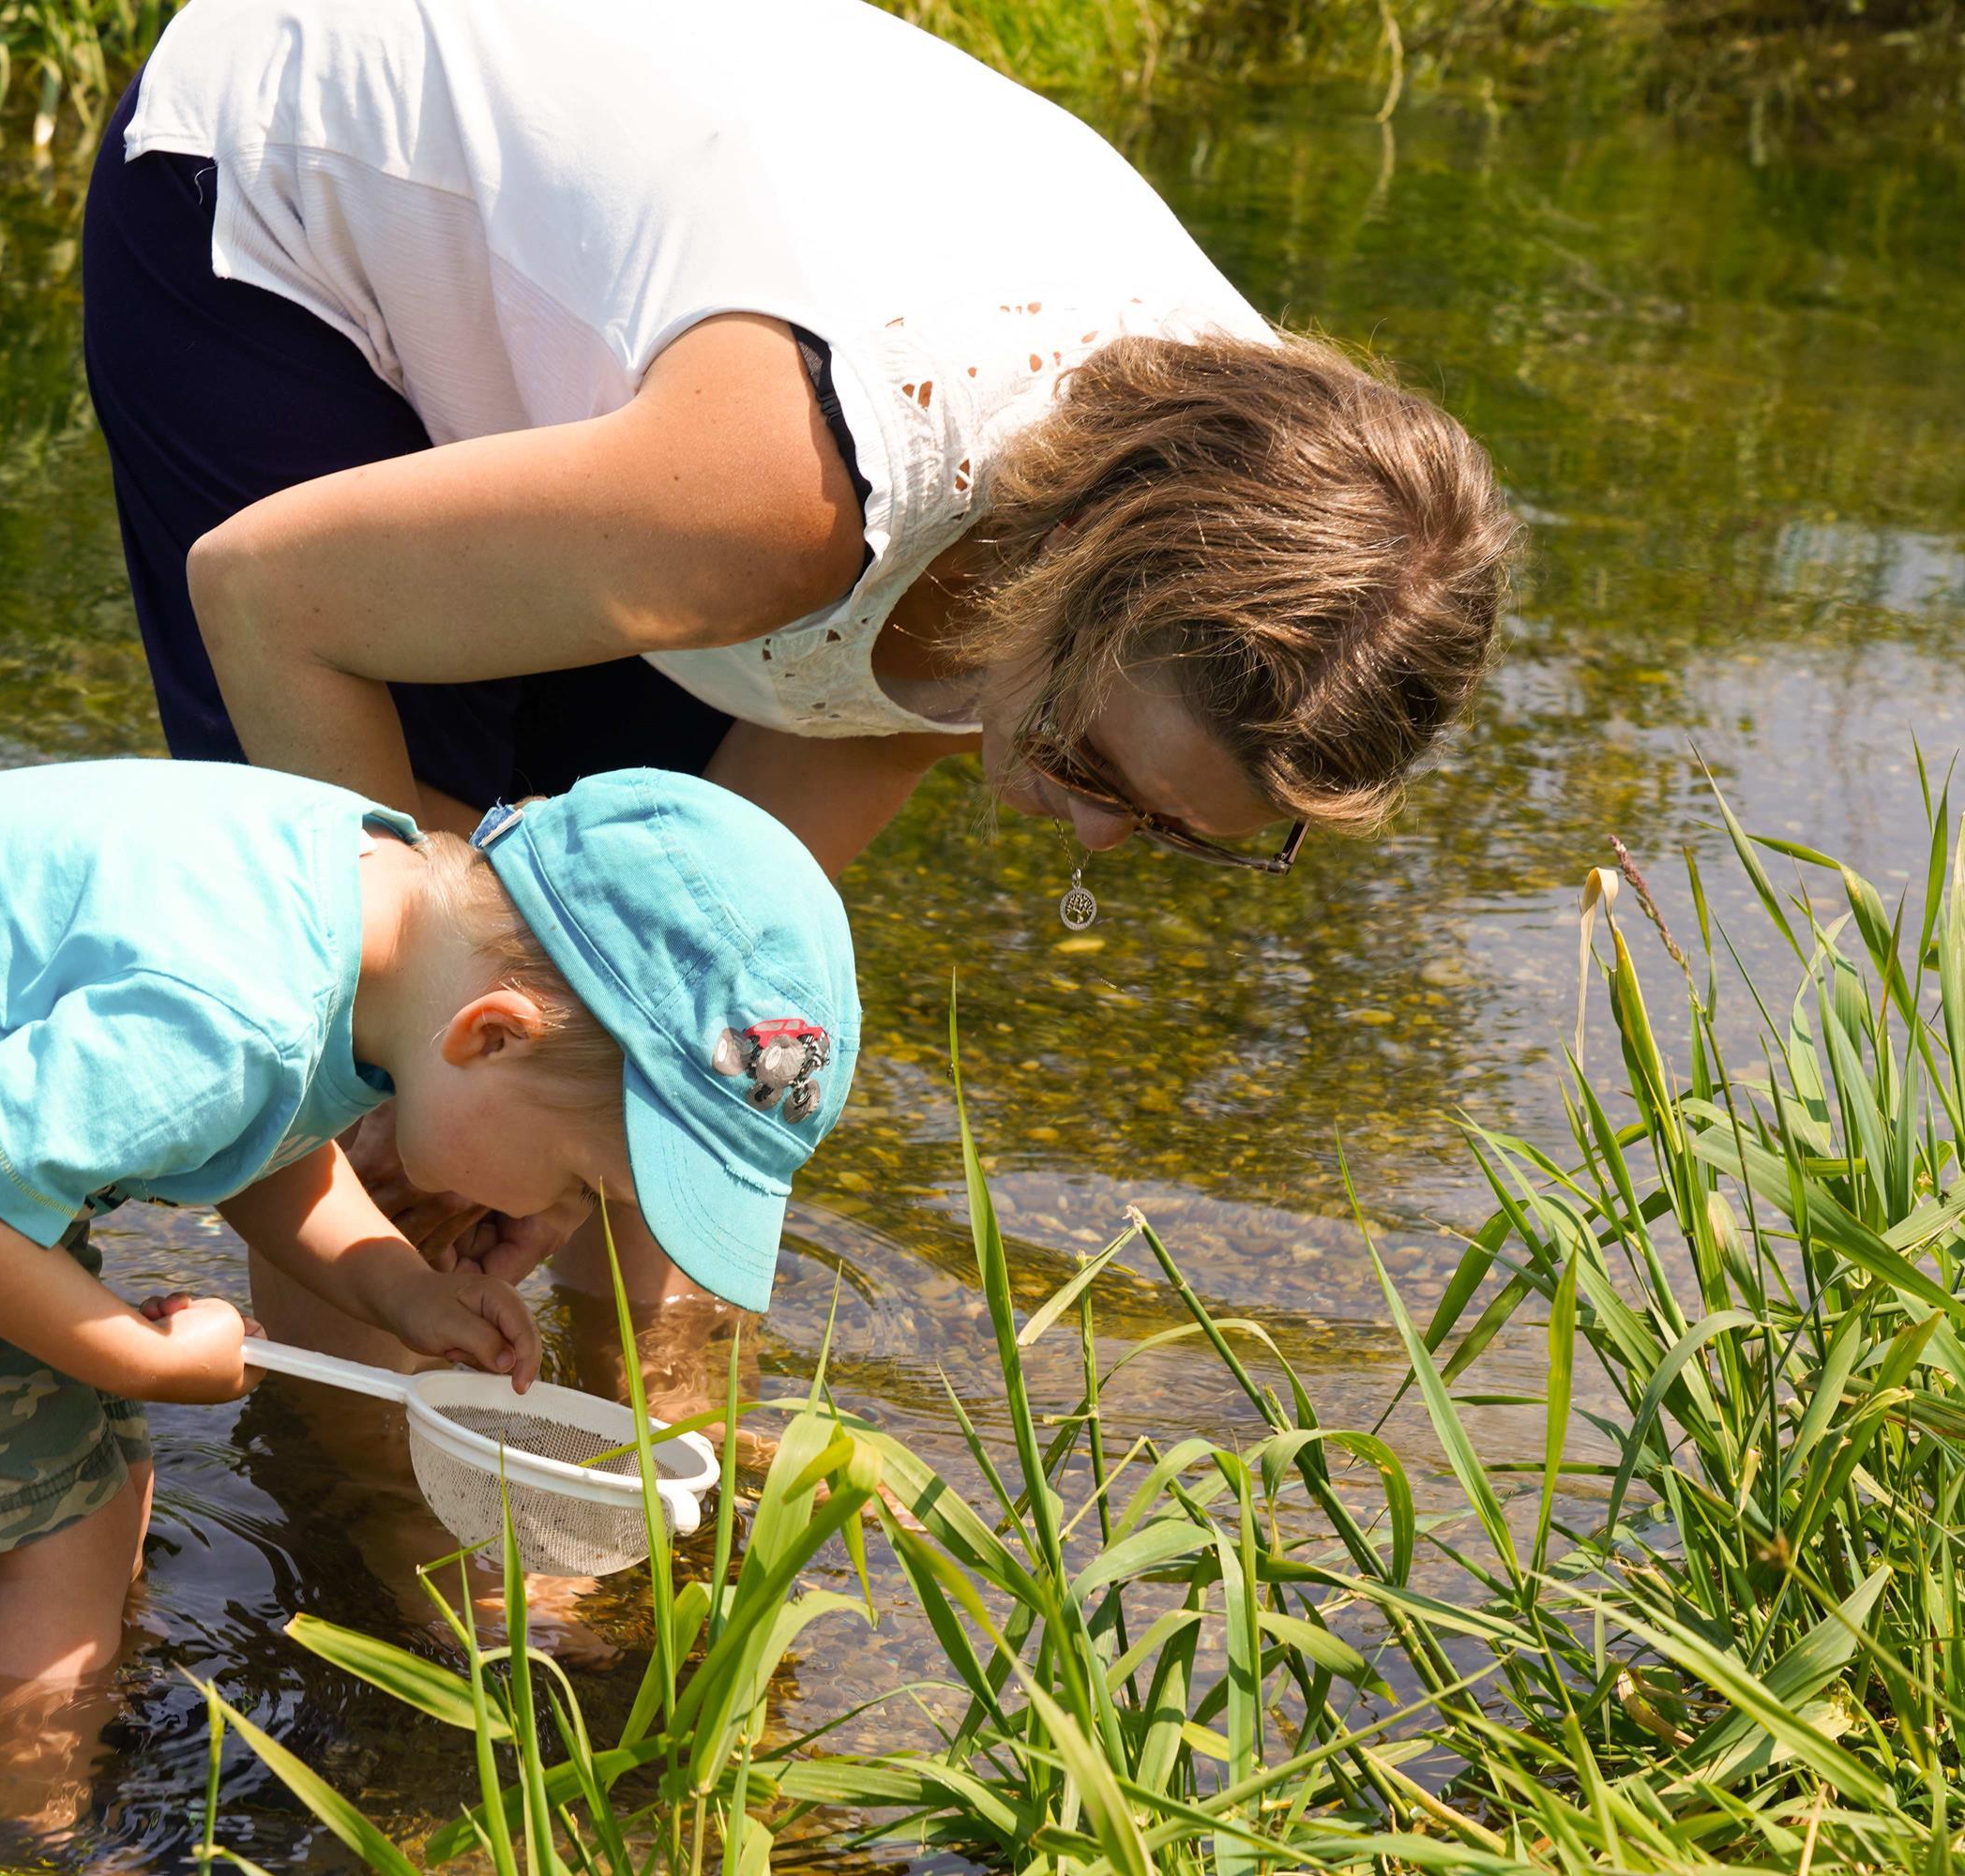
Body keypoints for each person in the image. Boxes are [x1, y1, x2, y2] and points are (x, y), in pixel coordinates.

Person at [79, 0, 1522, 1316]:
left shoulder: (1266, 526)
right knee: (387, 1038)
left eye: (1169, 831)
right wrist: (402, 1051)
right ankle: (352, 1532)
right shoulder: (774, 505)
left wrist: (624, 1257)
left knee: (558, 1058)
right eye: (1092, 768)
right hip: (304, 177)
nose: (1081, 830)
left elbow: (685, 963)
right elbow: (267, 594)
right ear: (1072, 574)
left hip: (677, 345)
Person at [0, 759, 856, 1830]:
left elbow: (265, 1131)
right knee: (62, 1534)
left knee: (99, 1491)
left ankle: (93, 1677)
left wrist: (391, 1283)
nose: (557, 1225)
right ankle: (30, 1829)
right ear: (492, 1038)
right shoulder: (231, 1016)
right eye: (584, 1182)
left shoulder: (359, 905)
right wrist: (138, 1362)